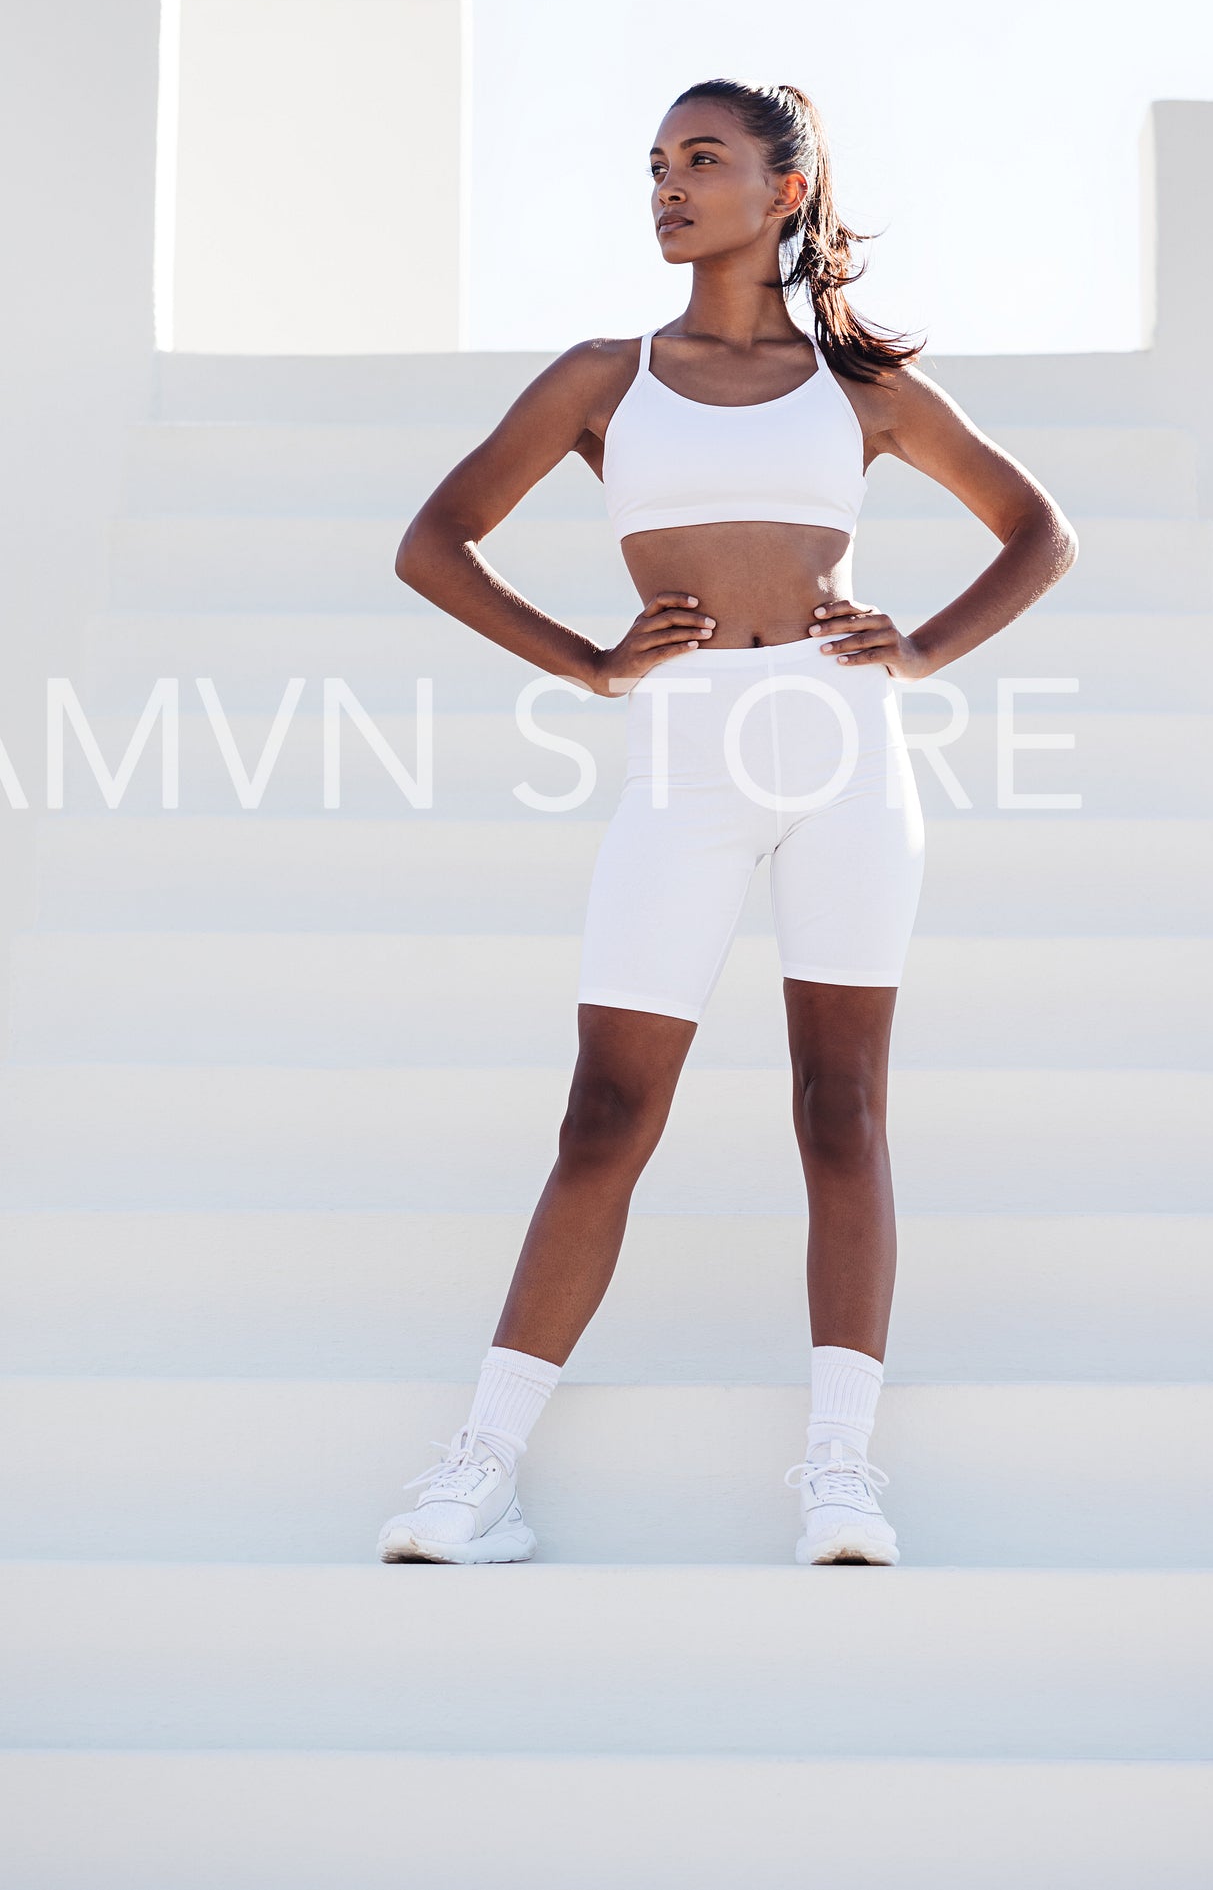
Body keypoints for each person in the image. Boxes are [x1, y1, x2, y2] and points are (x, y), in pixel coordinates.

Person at [378, 79, 1077, 1567]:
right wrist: (583, 657)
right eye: (654, 165)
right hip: (683, 763)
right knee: (605, 1113)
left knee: (841, 1110)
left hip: (844, 753)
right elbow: (429, 540)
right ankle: (477, 1468)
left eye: (701, 160)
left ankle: (839, 1474)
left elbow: (1040, 530)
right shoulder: (599, 377)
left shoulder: (864, 391)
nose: (667, 187)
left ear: (785, 186)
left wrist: (924, 647)